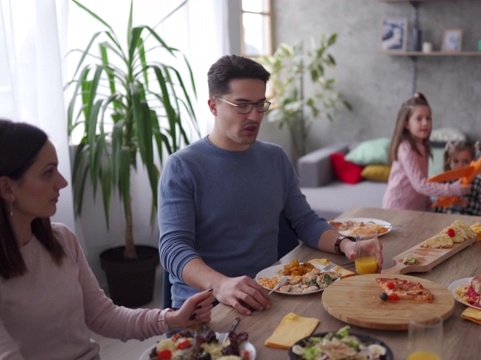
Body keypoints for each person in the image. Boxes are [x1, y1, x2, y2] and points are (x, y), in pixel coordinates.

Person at [157, 54, 372, 316]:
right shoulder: (182, 167)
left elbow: (304, 221)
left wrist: (346, 244)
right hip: (206, 305)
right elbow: (172, 248)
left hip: (270, 292)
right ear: (214, 106)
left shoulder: (275, 158)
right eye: (242, 105)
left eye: (260, 105)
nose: (255, 116)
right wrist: (221, 284)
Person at [0, 119, 214, 360]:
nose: (62, 182)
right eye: (48, 172)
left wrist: (172, 318)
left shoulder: (61, 240)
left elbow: (103, 316)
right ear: (8, 189)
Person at [382, 92, 470, 211]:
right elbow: (420, 185)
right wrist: (452, 189)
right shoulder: (406, 149)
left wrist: (428, 201)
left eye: (428, 118)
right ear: (407, 123)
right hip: (397, 208)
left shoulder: (423, 146)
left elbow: (422, 180)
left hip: (415, 209)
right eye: (419, 119)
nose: (425, 123)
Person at [434, 140, 481, 216]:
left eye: (466, 161)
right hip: (446, 224)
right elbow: (438, 208)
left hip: (469, 225)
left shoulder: (478, 184)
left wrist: (467, 203)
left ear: (473, 163)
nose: (460, 166)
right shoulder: (444, 182)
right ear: (450, 163)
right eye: (456, 161)